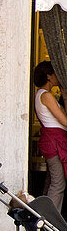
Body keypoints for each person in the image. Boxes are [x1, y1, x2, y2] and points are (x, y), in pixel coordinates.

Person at [33, 61, 67, 211]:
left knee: (51, 181)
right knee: (58, 183)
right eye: (55, 73)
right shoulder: (46, 95)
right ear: (49, 76)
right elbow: (64, 120)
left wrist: (64, 97)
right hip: (55, 141)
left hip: (52, 140)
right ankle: (51, 222)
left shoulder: (42, 94)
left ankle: (45, 217)